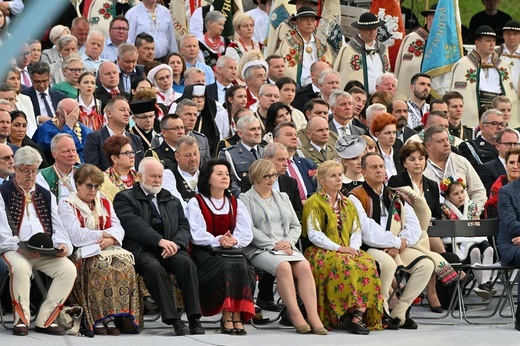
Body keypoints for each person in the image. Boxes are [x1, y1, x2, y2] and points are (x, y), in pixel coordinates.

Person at [113, 157, 204, 335]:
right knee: (154, 268)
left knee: (187, 264)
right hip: (142, 249)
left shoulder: (171, 199)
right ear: (139, 176)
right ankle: (175, 320)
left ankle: (194, 318)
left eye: (160, 176)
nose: (157, 180)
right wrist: (158, 241)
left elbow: (184, 226)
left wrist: (177, 244)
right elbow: (133, 225)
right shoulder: (124, 198)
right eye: (153, 176)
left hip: (170, 247)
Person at [240, 159, 327, 335]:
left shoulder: (283, 196)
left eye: (273, 175)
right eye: (267, 176)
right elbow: (249, 229)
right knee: (284, 267)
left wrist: (287, 242)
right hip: (260, 248)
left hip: (287, 246)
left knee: (303, 266)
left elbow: (296, 225)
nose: (272, 179)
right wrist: (274, 245)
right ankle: (295, 316)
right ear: (255, 178)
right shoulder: (245, 199)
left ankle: (313, 316)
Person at [349, 153, 436, 328]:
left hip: (398, 246)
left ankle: (401, 311)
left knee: (426, 264)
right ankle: (382, 311)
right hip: (369, 247)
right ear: (364, 172)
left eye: (381, 166)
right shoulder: (355, 196)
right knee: (387, 264)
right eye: (374, 167)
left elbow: (414, 225)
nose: (379, 170)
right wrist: (395, 243)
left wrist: (401, 243)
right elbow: (367, 230)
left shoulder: (396, 195)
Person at [0, 146, 76, 336]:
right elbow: (1, 230)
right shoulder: (3, 192)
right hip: (14, 248)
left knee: (68, 269)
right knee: (20, 268)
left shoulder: (45, 193)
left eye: (34, 170)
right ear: (15, 168)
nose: (30, 175)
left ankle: (45, 320)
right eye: (26, 170)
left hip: (43, 250)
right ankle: (21, 320)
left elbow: (58, 226)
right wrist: (19, 248)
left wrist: (62, 245)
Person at [58, 164, 141, 335]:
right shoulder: (67, 204)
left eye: (96, 186)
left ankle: (121, 317)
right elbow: (77, 235)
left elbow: (119, 229)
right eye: (89, 185)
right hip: (82, 253)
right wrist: (104, 235)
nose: (93, 190)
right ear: (78, 184)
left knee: (126, 267)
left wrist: (108, 240)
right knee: (100, 268)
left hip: (107, 249)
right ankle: (100, 318)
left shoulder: (103, 201)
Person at [303, 160, 383, 333]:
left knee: (368, 264)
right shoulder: (314, 202)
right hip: (322, 250)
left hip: (346, 248)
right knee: (345, 265)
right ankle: (341, 313)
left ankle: (357, 316)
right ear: (323, 180)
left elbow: (356, 230)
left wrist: (352, 249)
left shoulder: (347, 203)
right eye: (333, 176)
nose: (339, 179)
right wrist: (339, 248)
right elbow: (314, 234)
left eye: (340, 175)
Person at [186, 158, 255, 335]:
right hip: (205, 252)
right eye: (219, 174)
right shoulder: (197, 202)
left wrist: (233, 241)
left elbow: (245, 232)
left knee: (242, 265)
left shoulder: (235, 202)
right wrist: (219, 240)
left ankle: (237, 313)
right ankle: (227, 314)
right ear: (208, 178)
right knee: (225, 266)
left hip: (232, 251)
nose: (225, 177)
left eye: (227, 174)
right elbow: (196, 233)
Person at [449, 26, 517, 129]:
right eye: (488, 41)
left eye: (494, 41)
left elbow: (510, 94)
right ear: (477, 43)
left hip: (499, 111)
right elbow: (460, 95)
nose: (492, 44)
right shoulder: (463, 65)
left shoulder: (503, 66)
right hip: (476, 111)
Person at [440, 176, 496, 299]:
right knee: (475, 251)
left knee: (489, 249)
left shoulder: (471, 206)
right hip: (459, 241)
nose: (460, 196)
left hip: (474, 236)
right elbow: (446, 229)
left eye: (462, 192)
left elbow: (476, 223)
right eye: (455, 194)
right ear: (448, 197)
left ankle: (485, 284)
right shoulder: (444, 209)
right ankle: (483, 285)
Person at [276, 6, 331, 87]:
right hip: (295, 88)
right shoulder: (287, 43)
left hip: (317, 88)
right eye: (306, 20)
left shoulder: (323, 45)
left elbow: (329, 66)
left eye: (312, 20)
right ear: (297, 22)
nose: (309, 23)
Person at [334, 12, 390, 92]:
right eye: (368, 28)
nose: (372, 32)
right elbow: (345, 77)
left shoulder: (383, 48)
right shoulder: (349, 49)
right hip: (358, 100)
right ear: (360, 29)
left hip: (381, 98)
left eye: (375, 28)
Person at [84, 97, 144, 171]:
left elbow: (141, 168)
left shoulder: (136, 139)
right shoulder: (95, 138)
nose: (127, 114)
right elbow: (92, 170)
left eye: (128, 111)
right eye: (122, 110)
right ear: (109, 113)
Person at [219, 115, 264, 194]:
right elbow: (229, 183)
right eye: (252, 129)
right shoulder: (229, 154)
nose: (257, 133)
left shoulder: (265, 152)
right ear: (240, 134)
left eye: (259, 128)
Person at [100, 135, 139, 202]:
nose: (132, 156)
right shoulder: (103, 180)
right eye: (127, 153)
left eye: (132, 152)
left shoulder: (140, 176)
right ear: (114, 158)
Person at [1, 67, 37, 137]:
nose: (16, 82)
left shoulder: (26, 99)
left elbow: (32, 124)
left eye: (18, 79)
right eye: (12, 78)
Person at [486, 147, 520, 218]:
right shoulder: (497, 187)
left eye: (519, 163)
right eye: (511, 162)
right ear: (506, 165)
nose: (515, 166)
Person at [371, 112, 403, 179]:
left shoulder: (400, 155)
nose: (392, 136)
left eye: (394, 132)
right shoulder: (372, 155)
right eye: (388, 133)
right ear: (377, 135)